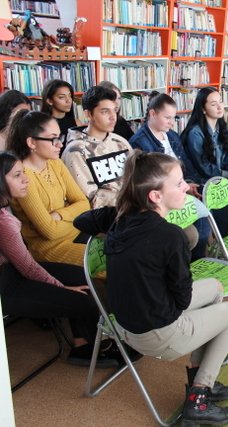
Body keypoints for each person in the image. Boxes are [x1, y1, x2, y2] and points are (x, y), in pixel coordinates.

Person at [74, 150, 228, 426]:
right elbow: (181, 300)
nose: (186, 186)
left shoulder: (121, 216)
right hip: (157, 333)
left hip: (123, 323)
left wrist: (113, 222)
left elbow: (80, 221)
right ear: (155, 196)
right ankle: (199, 398)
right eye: (179, 183)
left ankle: (200, 378)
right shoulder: (171, 237)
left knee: (214, 287)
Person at [0, 151, 119, 368]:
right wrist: (62, 287)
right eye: (17, 175)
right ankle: (88, 348)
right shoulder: (4, 223)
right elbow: (28, 267)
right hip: (7, 284)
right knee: (84, 299)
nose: (26, 179)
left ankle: (83, 342)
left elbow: (81, 203)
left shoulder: (5, 209)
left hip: (16, 270)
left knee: (83, 276)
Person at [129, 92, 208, 258]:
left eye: (173, 118)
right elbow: (151, 181)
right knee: (199, 224)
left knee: (204, 210)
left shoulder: (171, 135)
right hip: (162, 197)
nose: (172, 123)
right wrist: (182, 187)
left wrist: (189, 183)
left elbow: (185, 163)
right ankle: (191, 261)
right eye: (167, 118)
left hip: (180, 186)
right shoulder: (139, 142)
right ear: (152, 114)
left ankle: (197, 260)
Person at [6, 110, 89, 267]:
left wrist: (59, 215)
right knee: (113, 264)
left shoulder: (55, 163)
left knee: (124, 251)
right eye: (53, 139)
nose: (60, 144)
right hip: (49, 249)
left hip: (76, 234)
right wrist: (74, 215)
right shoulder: (23, 177)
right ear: (32, 143)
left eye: (60, 137)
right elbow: (50, 232)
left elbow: (84, 203)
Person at [181, 87, 228, 237]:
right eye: (213, 104)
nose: (219, 107)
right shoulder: (195, 133)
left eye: (220, 101)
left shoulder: (223, 128)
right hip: (203, 182)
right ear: (203, 109)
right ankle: (223, 242)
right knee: (221, 203)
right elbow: (205, 169)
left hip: (220, 179)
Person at [62, 85, 132, 208]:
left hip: (132, 208)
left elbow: (135, 176)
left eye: (114, 110)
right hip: (106, 214)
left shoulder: (120, 142)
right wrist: (133, 201)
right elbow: (90, 198)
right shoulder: (75, 151)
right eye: (105, 111)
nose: (113, 117)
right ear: (89, 114)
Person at [40, 79, 80, 148]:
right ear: (49, 101)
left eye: (70, 96)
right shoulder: (43, 125)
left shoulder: (77, 123)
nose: (68, 101)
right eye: (61, 97)